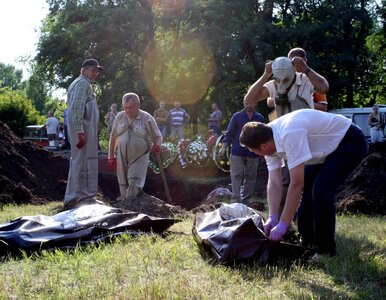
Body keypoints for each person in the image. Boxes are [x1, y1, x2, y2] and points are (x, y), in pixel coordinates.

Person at [239, 109, 368, 260]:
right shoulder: (267, 138)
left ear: (262, 147)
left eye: (252, 150)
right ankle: (308, 241)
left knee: (321, 190)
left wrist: (283, 224)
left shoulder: (289, 134)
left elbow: (296, 185)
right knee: (309, 187)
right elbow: (274, 182)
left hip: (349, 141)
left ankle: (326, 250)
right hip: (325, 150)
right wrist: (272, 216)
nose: (254, 154)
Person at [64, 58, 104, 210]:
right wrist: (80, 132)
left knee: (79, 161)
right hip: (83, 130)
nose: (96, 73)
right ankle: (80, 197)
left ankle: (76, 196)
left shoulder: (80, 83)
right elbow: (76, 109)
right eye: (94, 69)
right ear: (84, 70)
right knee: (81, 162)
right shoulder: (82, 84)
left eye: (97, 70)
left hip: (84, 130)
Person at [107, 93, 162, 202]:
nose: (127, 111)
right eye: (125, 108)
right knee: (122, 183)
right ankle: (124, 205)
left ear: (138, 105)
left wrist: (157, 145)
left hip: (139, 156)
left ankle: (130, 204)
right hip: (122, 155)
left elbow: (158, 136)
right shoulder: (119, 117)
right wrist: (111, 156)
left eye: (130, 108)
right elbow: (113, 137)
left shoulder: (147, 118)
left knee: (133, 183)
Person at [220, 99, 265, 203]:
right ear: (243, 103)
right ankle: (236, 200)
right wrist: (224, 147)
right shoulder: (236, 116)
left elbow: (263, 136)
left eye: (250, 102)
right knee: (236, 175)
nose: (248, 105)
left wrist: (263, 153)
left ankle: (246, 200)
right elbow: (229, 133)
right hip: (237, 151)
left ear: (255, 103)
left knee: (251, 177)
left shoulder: (260, 118)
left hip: (253, 153)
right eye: (246, 103)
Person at [288, 47, 330, 111]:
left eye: (299, 61)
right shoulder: (285, 78)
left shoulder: (312, 79)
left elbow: (323, 107)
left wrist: (303, 103)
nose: (296, 64)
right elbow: (269, 101)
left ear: (305, 61)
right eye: (292, 62)